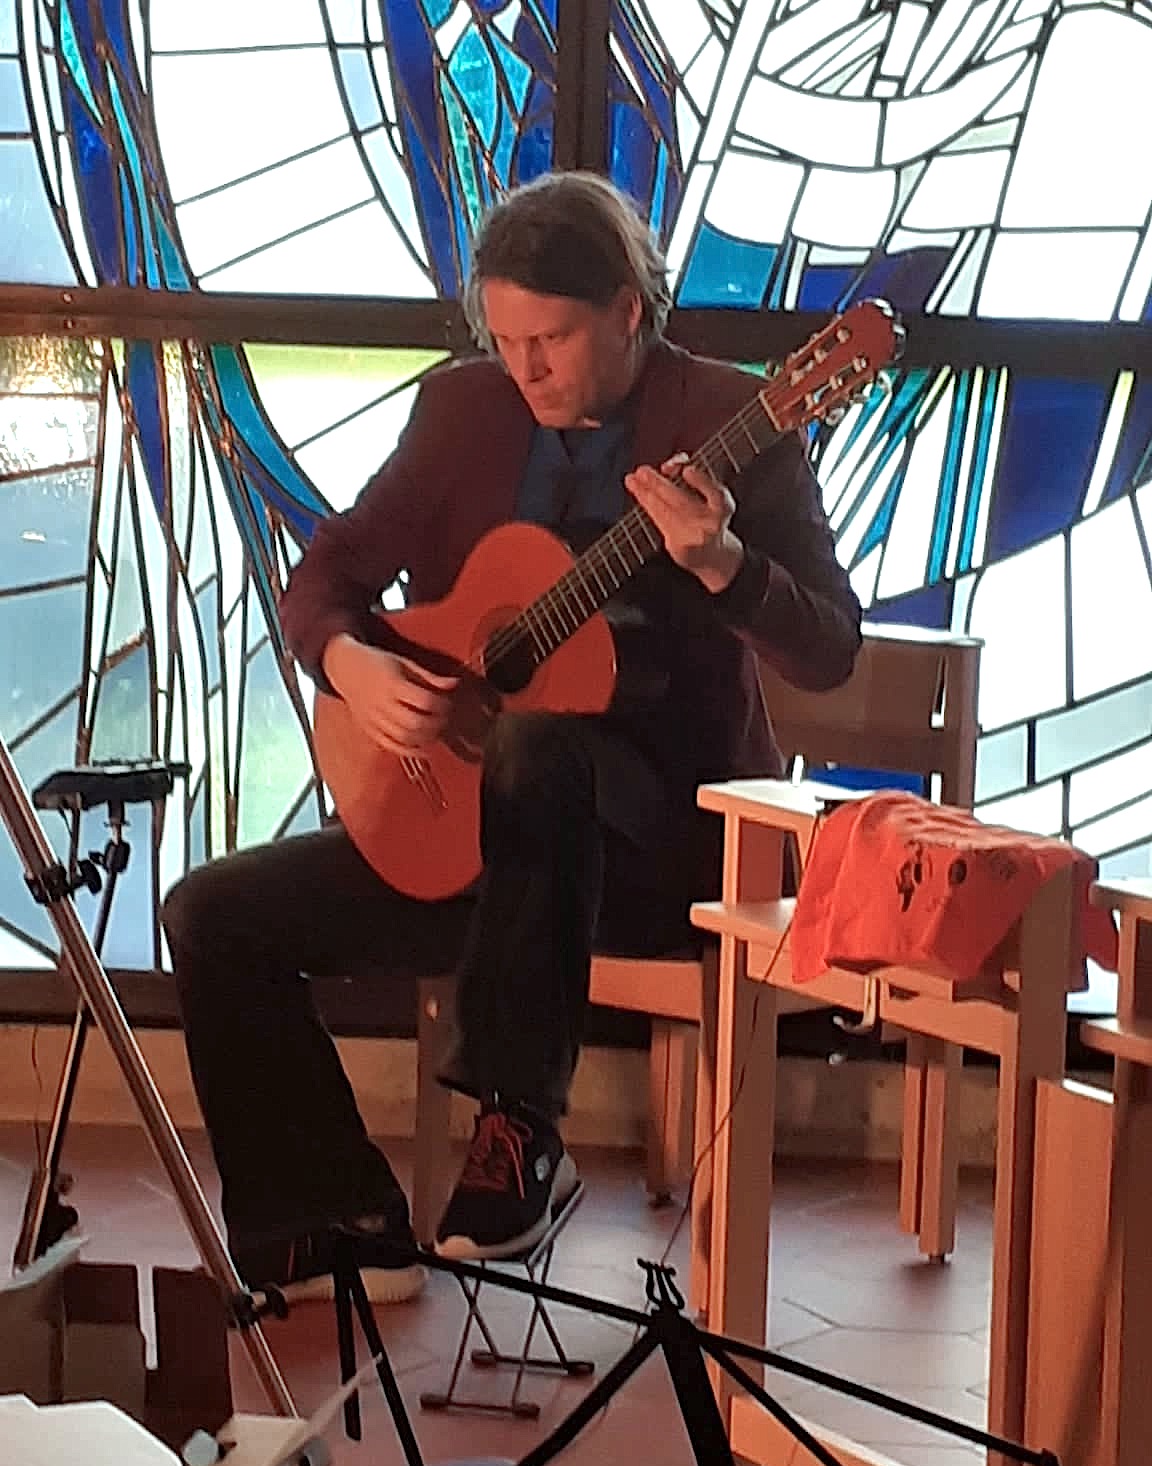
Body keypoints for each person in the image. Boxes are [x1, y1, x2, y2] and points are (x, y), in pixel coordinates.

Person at [161, 170, 862, 1305]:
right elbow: (327, 576)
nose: (524, 369)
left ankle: (518, 1129)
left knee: (538, 748)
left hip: (656, 858)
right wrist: (352, 664)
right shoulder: (464, 412)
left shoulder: (729, 422)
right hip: (473, 850)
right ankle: (337, 1221)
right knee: (212, 914)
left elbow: (830, 647)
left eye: (551, 339)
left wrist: (724, 564)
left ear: (629, 311)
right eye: (504, 339)